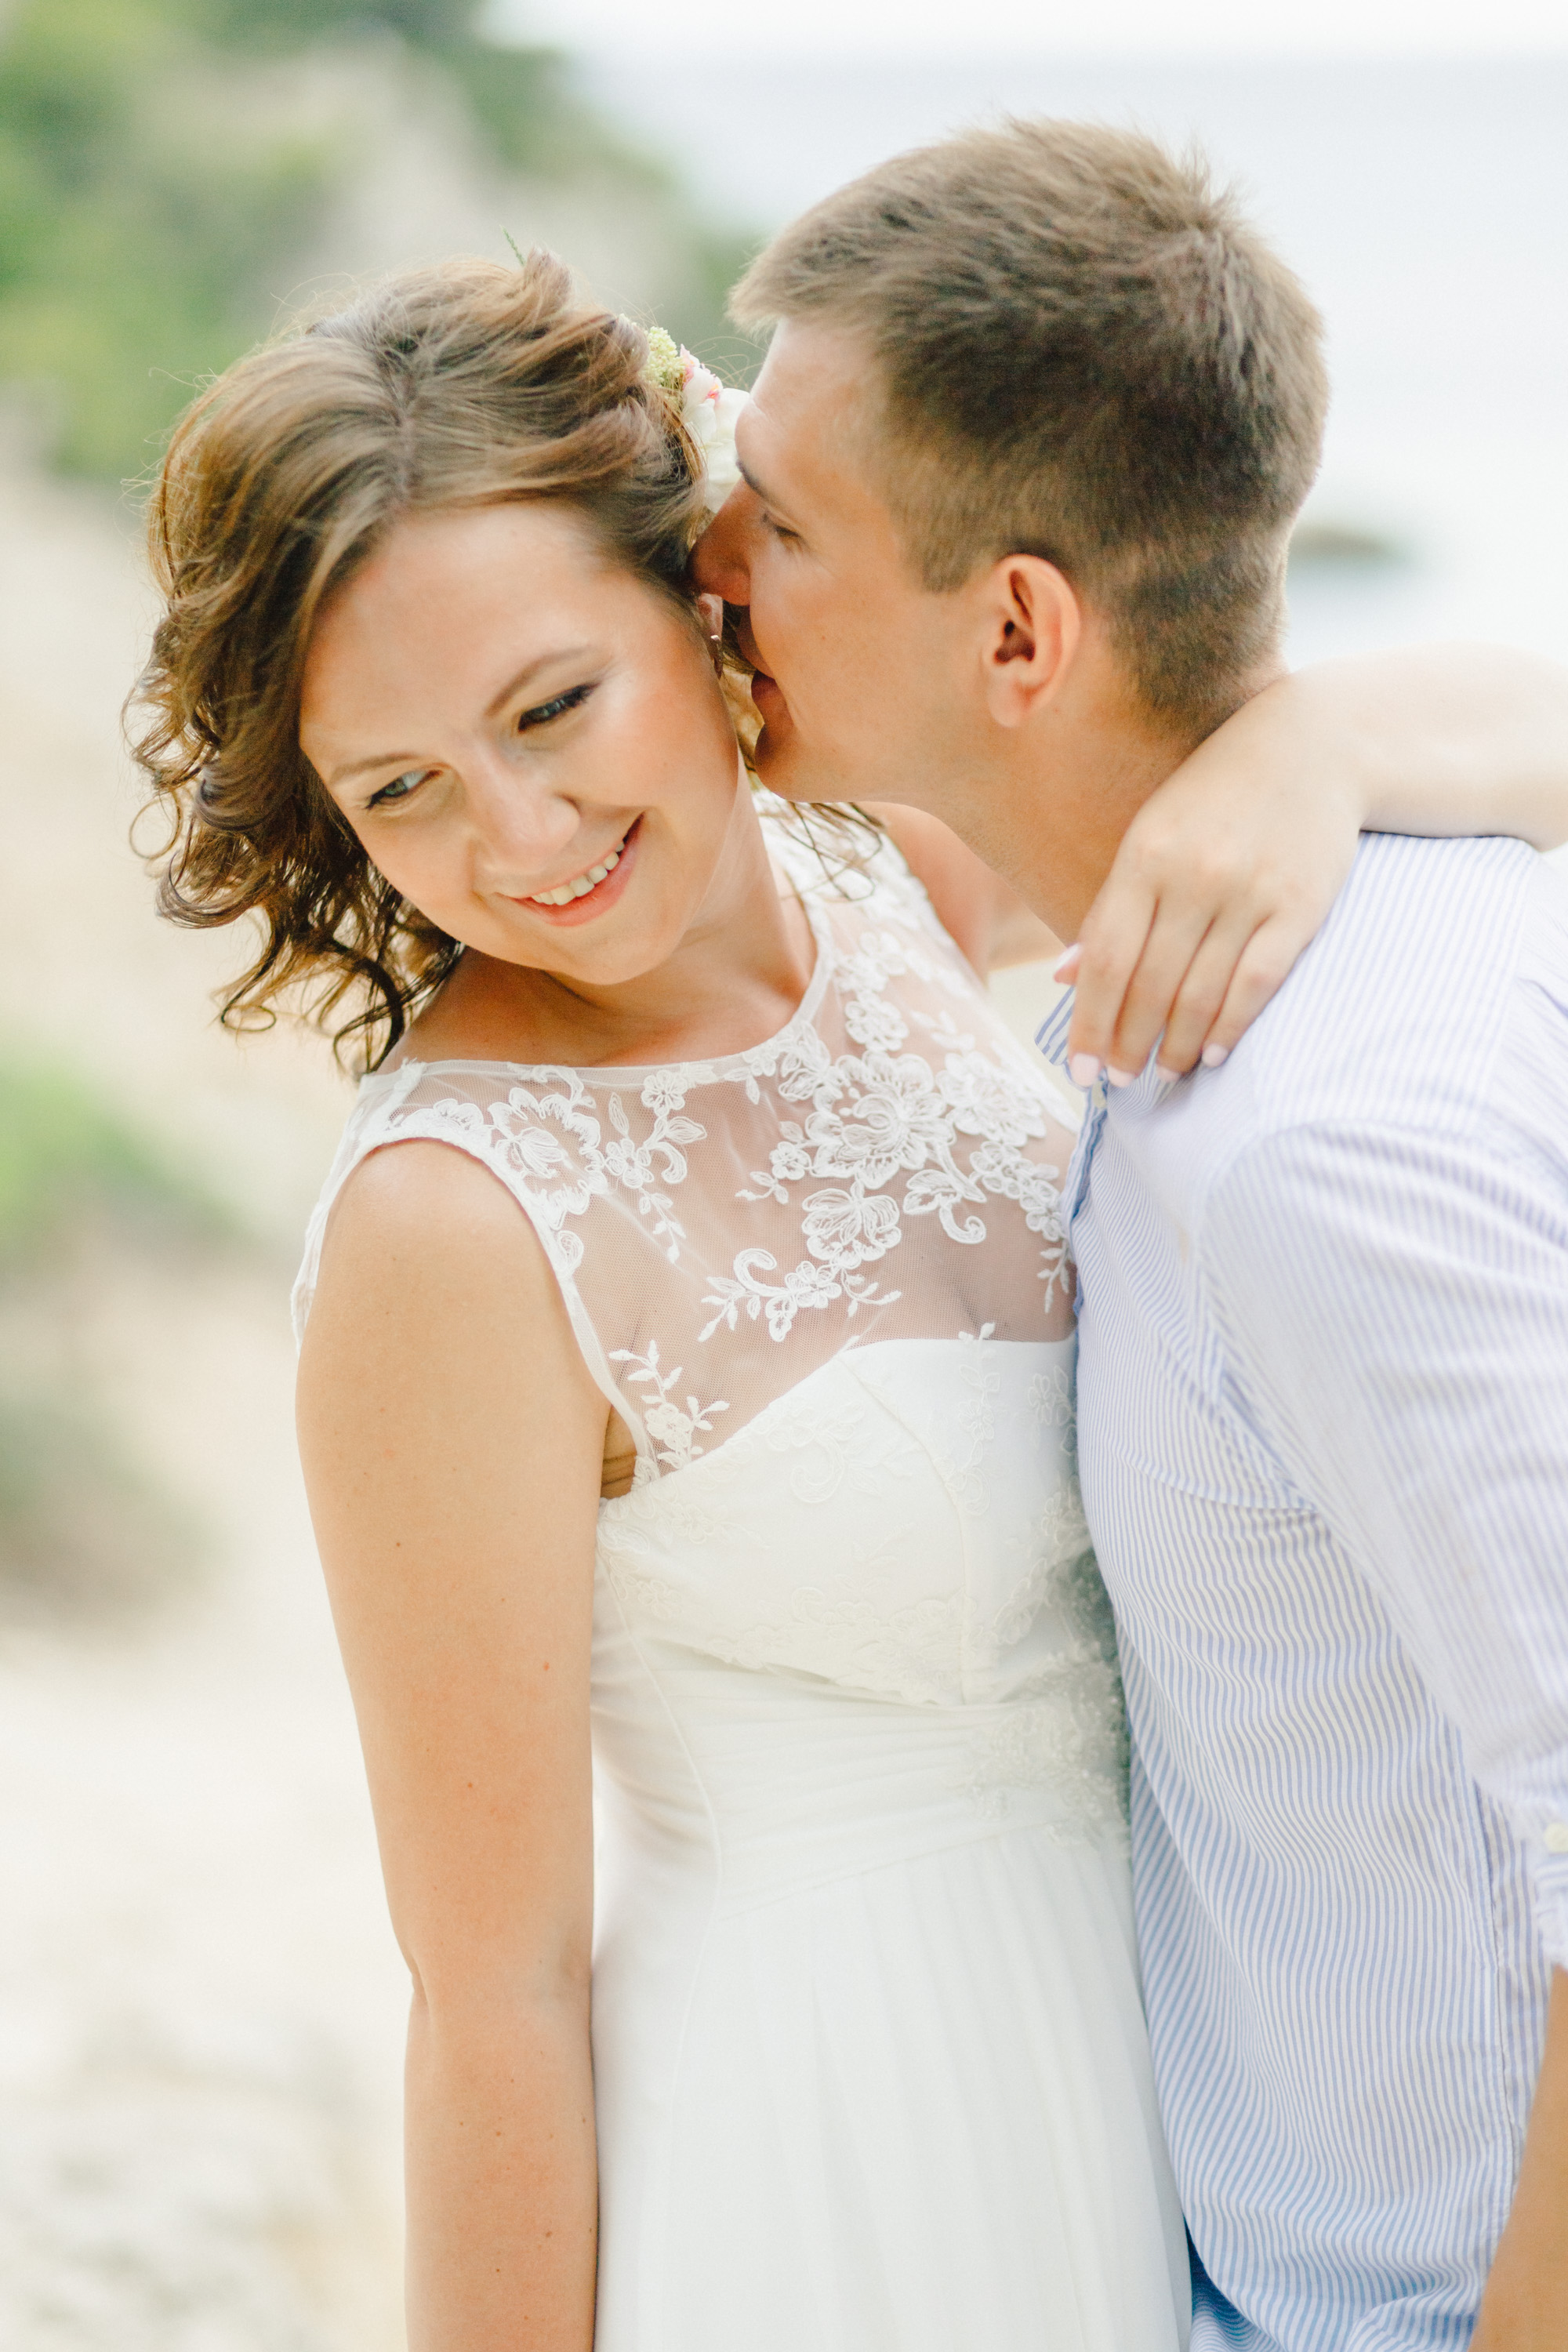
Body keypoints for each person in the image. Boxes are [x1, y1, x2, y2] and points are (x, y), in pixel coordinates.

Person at [129, 245, 1568, 2350]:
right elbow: (493, 1999)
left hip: (1189, 2127)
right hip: (826, 2151)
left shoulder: (897, 879)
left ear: (709, 602)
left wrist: (1312, 748)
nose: (523, 840)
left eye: (553, 706)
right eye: (401, 790)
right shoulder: (456, 1225)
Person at [695, 119, 1568, 2350]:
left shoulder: (1315, 1151)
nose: (708, 559)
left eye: (780, 521)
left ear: (1016, 626)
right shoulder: (1286, 955)